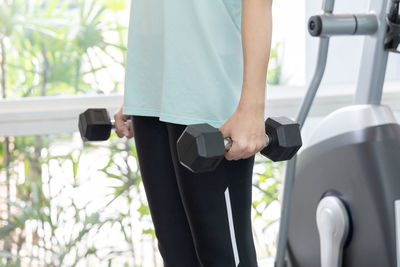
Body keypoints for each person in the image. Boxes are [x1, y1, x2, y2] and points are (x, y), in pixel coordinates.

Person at [114, 1, 272, 266]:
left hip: (209, 99)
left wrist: (253, 108)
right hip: (152, 96)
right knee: (176, 253)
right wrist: (144, 91)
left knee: (222, 256)